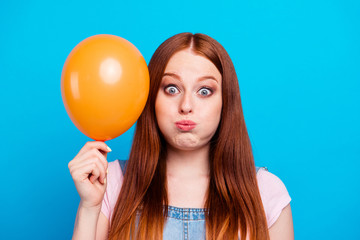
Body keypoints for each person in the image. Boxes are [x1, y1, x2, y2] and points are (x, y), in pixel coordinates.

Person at [68, 32, 294, 240]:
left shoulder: (266, 193)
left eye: (204, 91)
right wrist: (89, 207)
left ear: (226, 102)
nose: (186, 106)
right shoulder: (112, 184)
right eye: (172, 89)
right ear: (150, 99)